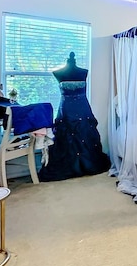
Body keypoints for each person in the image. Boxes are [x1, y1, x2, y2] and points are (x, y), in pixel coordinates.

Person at [38, 52, 110, 181]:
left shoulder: (84, 72)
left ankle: (87, 164)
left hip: (82, 109)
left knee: (85, 133)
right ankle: (71, 167)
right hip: (67, 110)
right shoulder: (58, 73)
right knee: (67, 134)